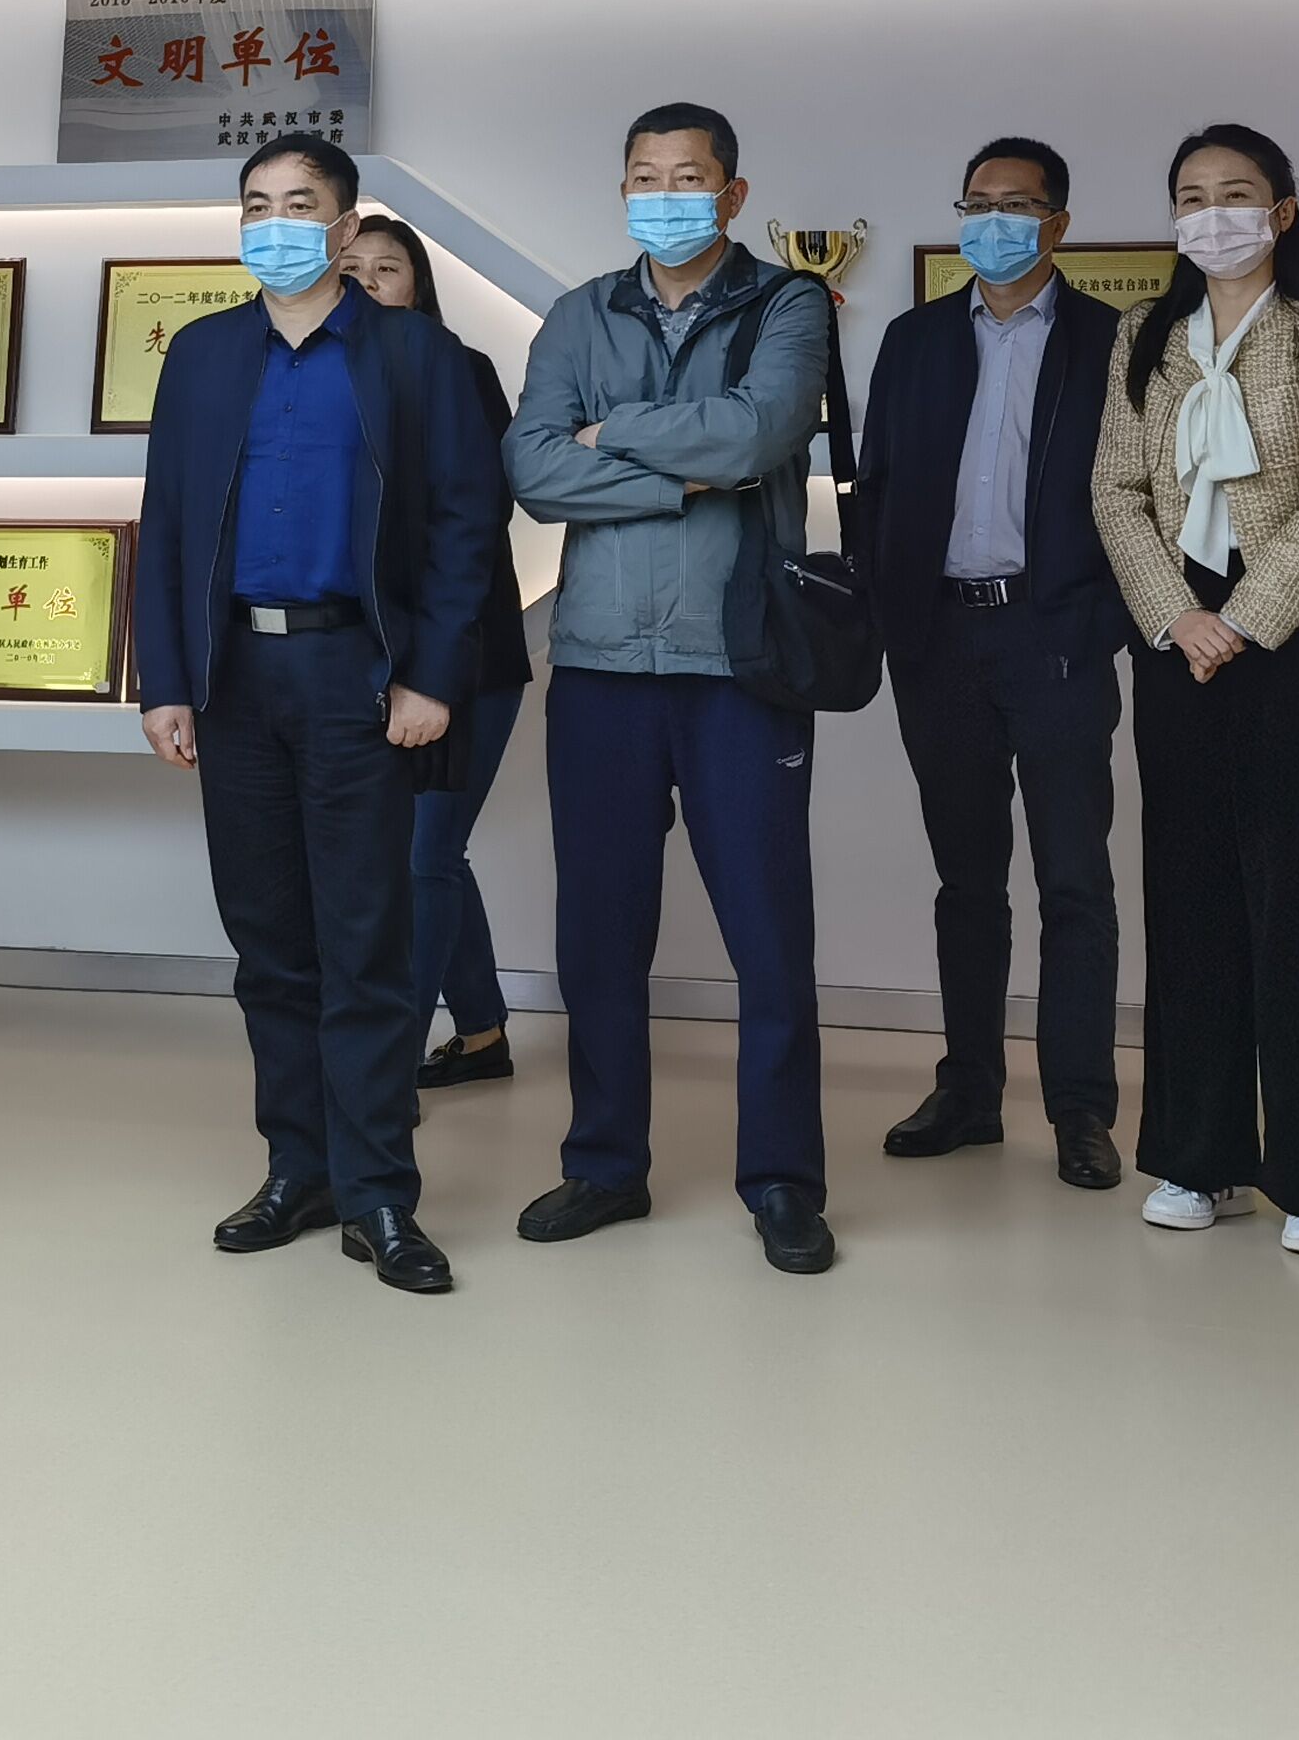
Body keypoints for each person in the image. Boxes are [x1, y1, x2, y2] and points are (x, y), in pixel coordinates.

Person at [140, 135, 508, 1297]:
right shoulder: (202, 355)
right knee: (269, 944)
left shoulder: (415, 354)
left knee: (366, 943)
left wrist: (431, 677)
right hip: (235, 680)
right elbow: (165, 522)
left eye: (299, 205)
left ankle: (378, 1192)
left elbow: (466, 525)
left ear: (346, 229)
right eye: (256, 206)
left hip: (360, 674)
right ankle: (295, 1169)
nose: (275, 225)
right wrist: (165, 680)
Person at [502, 103, 840, 1275]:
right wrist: (670, 478)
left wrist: (613, 437)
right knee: (598, 935)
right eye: (644, 178)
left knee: (768, 935)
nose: (664, 197)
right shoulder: (578, 314)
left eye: (686, 177)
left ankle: (783, 1179)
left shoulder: (787, 305)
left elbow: (758, 434)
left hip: (740, 663)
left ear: (732, 194)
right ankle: (605, 1164)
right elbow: (533, 467)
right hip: (600, 664)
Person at [1090, 124, 1299, 1258]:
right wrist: (1176, 616)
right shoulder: (1143, 334)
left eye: (1235, 193)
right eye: (1190, 196)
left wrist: (1246, 620)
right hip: (1176, 633)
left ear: (1281, 210)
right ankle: (1196, 1157)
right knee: (1188, 899)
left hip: (1297, 635)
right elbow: (1115, 490)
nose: (1211, 213)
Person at [857, 137, 1132, 1188]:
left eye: (1016, 205)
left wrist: (1098, 622)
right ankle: (969, 1090)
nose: (993, 221)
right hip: (941, 641)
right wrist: (890, 618)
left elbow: (1141, 492)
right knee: (966, 882)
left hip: (1053, 635)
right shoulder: (915, 339)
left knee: (1074, 882)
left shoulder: (1111, 340)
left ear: (1057, 222)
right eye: (977, 203)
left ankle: (1080, 1108)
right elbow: (879, 485)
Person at [335, 212, 534, 1091]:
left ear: (418, 286)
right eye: (353, 268)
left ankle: (385, 1071)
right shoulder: (313, 372)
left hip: (466, 655)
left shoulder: (459, 369)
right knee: (429, 855)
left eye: (388, 268)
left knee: (421, 857)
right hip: (363, 659)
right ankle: (482, 1032)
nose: (369, 281)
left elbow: (480, 517)